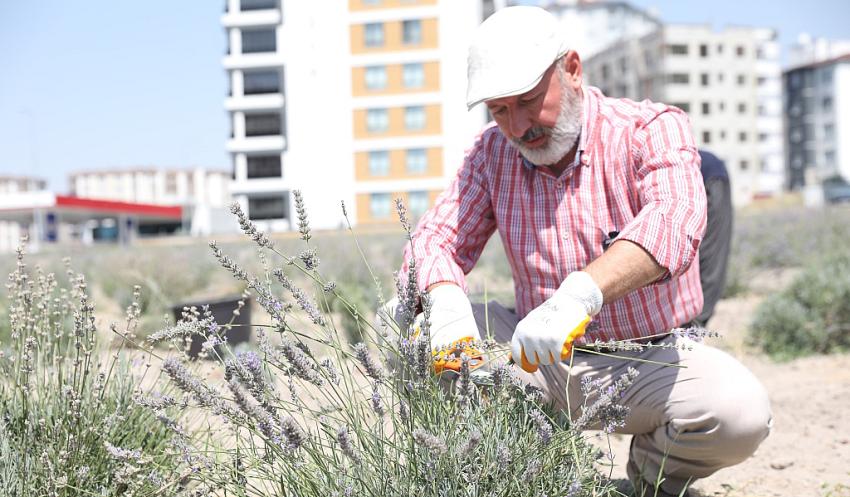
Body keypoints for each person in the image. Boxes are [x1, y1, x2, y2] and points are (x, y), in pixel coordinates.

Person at [388, 6, 771, 497]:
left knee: (738, 413)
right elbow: (435, 239)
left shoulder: (649, 128)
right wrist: (443, 300)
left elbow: (673, 221)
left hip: (649, 357)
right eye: (499, 110)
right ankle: (519, 471)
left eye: (528, 101)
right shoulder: (492, 153)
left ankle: (649, 482)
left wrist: (579, 297)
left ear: (571, 69)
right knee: (407, 329)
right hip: (535, 359)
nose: (518, 126)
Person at [695, 150, 733, 326]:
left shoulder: (707, 165)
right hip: (707, 175)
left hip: (710, 177)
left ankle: (696, 326)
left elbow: (712, 256)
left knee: (709, 258)